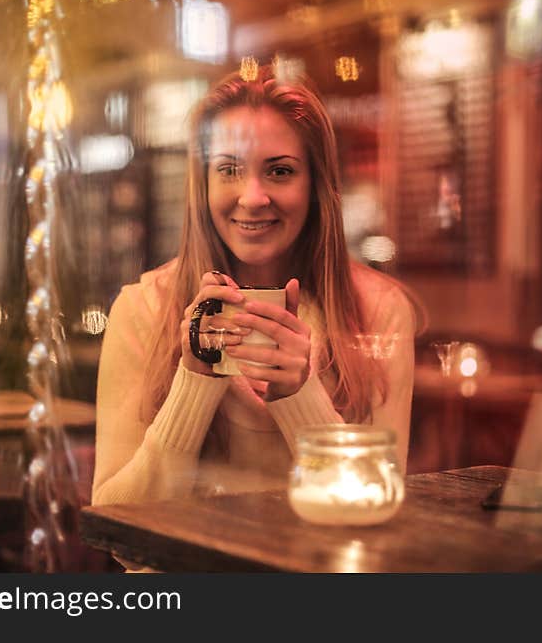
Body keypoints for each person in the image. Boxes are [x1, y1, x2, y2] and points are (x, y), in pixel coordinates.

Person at [92, 65, 419, 508]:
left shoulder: (378, 308)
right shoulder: (144, 307)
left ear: (316, 186)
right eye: (229, 170)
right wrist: (194, 382)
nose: (252, 197)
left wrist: (300, 396)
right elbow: (116, 525)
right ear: (202, 185)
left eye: (280, 172)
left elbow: (374, 506)